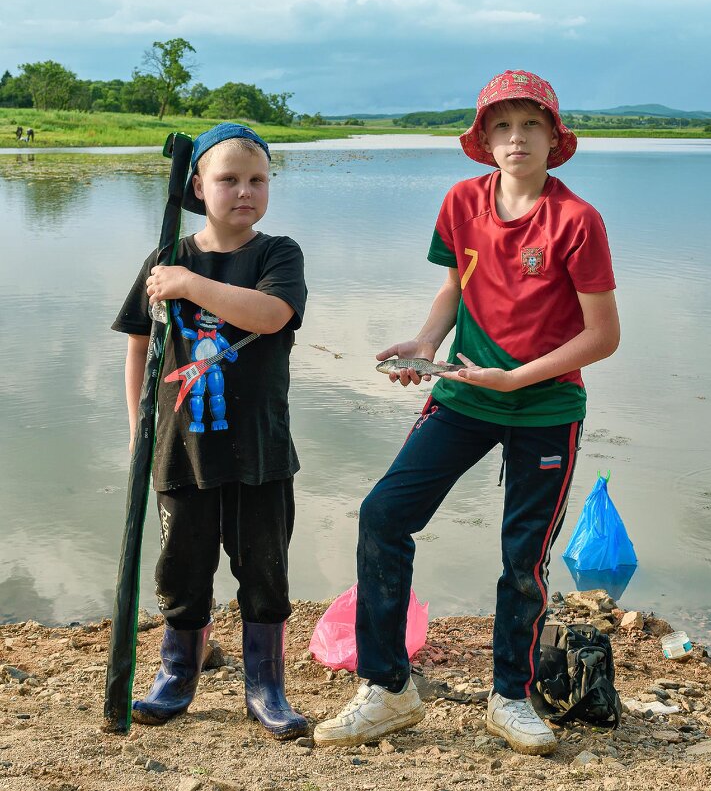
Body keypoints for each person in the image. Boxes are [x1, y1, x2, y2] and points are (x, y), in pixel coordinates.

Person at [313, 70, 620, 755]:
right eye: (501, 126)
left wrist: (515, 380)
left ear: (552, 137)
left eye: (530, 126)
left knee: (523, 559)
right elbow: (453, 288)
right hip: (460, 392)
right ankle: (388, 687)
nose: (516, 139)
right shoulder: (459, 202)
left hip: (544, 405)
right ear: (483, 140)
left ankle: (509, 695)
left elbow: (601, 335)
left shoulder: (576, 221)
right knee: (384, 514)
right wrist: (426, 341)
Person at [112, 122, 309, 739]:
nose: (244, 191)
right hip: (181, 448)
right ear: (197, 185)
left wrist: (192, 286)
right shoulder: (165, 257)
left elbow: (272, 315)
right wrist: (138, 432)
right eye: (228, 179)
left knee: (265, 566)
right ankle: (178, 672)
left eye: (257, 179)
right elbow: (139, 349)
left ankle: (265, 684)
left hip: (260, 449)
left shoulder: (278, 254)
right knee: (182, 566)